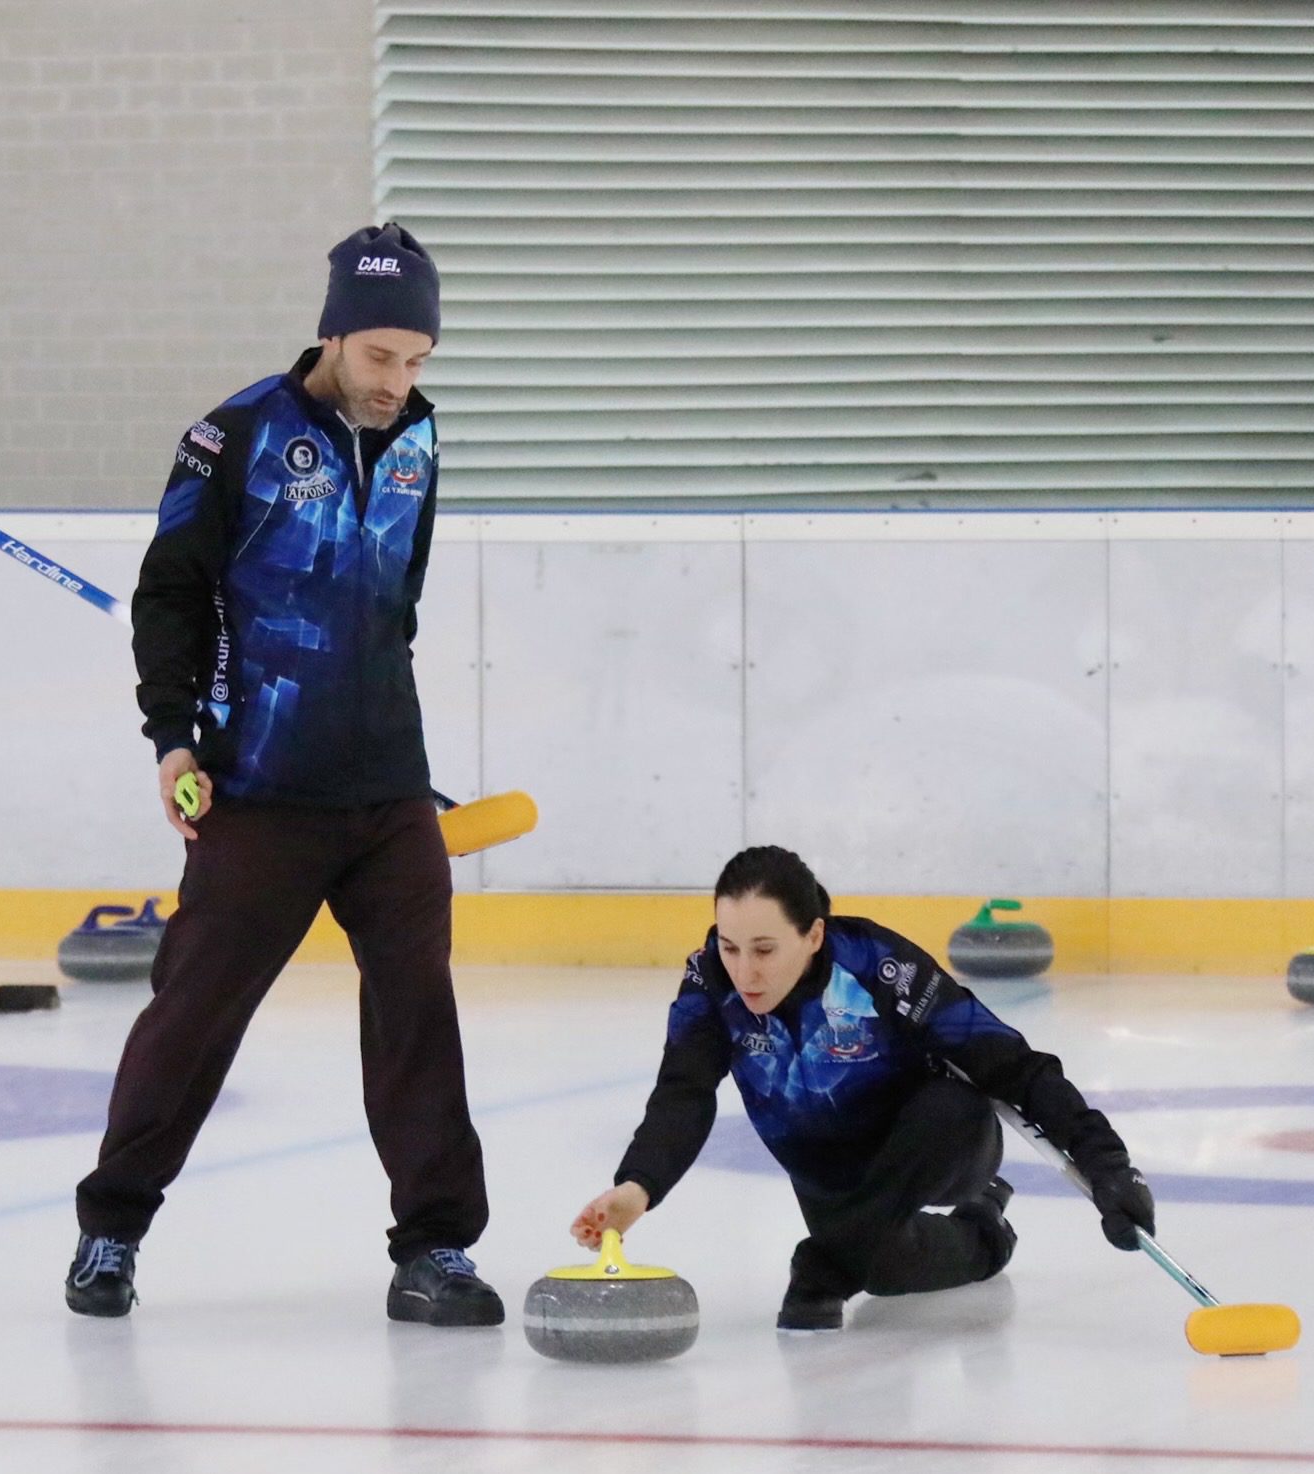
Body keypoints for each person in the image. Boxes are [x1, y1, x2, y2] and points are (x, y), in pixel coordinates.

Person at [64, 222, 501, 1328]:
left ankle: (437, 1248)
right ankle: (112, 1226)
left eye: (418, 360)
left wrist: (397, 758)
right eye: (380, 357)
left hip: (389, 792)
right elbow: (170, 594)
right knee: (195, 1013)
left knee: (417, 1015)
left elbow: (392, 608)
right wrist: (175, 737)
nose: (399, 382)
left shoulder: (418, 441)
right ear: (333, 333)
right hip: (259, 788)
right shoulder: (235, 436)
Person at [572, 846, 1156, 1331]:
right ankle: (983, 1231)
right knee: (881, 1268)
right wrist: (636, 1188)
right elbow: (684, 1092)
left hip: (938, 1142)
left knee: (943, 1115)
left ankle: (829, 1258)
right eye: (730, 947)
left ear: (814, 935)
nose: (744, 971)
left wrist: (1108, 1163)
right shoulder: (709, 984)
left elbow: (1012, 1064)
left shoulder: (877, 966)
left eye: (765, 949)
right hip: (828, 1169)